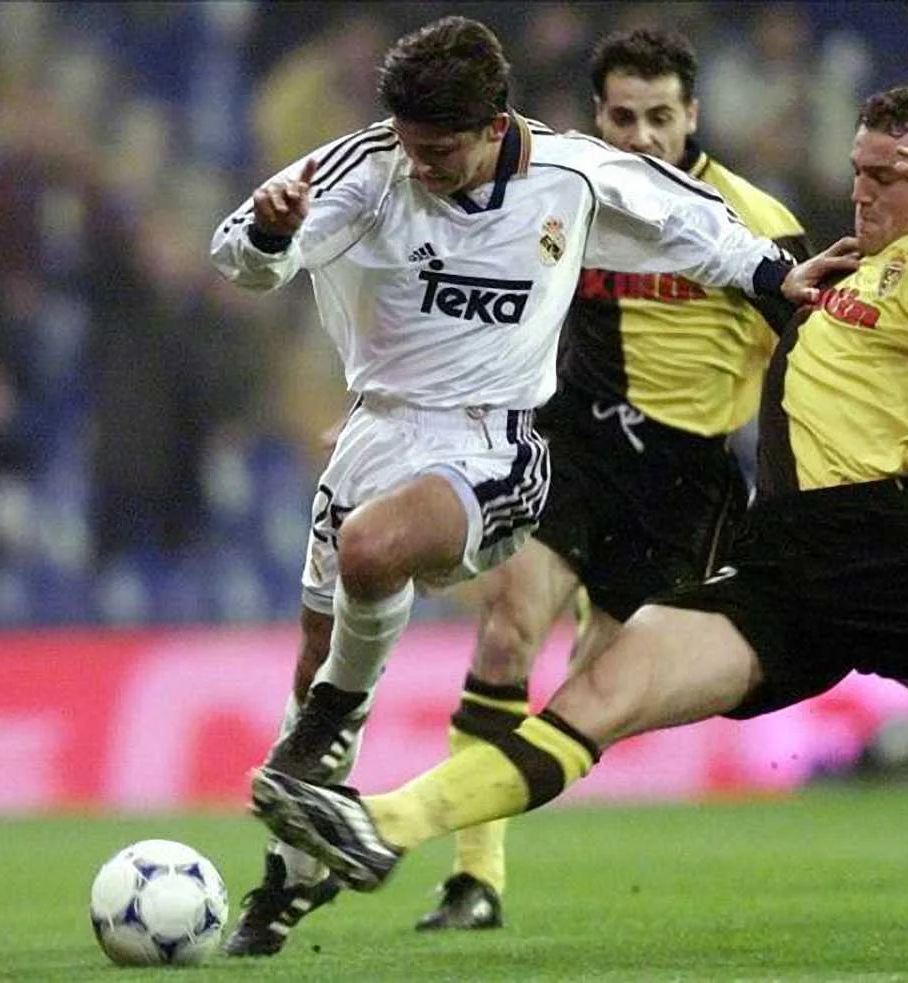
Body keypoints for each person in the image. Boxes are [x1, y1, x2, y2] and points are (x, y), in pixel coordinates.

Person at [244, 83, 908, 904]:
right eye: (858, 169)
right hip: (782, 562)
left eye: (885, 176)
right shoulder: (837, 269)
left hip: (893, 556)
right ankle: (381, 823)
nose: (861, 189)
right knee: (602, 689)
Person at [209, 15, 856, 957]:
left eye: (439, 150)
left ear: (492, 125)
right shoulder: (369, 166)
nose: (420, 164)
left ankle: (389, 776)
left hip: (503, 444)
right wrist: (269, 234)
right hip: (383, 430)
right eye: (409, 143)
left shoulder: (573, 173)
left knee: (383, 561)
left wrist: (779, 277)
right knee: (318, 652)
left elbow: (696, 223)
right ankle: (289, 880)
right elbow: (246, 259)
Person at [413, 27, 810, 932]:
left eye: (660, 117)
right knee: (508, 630)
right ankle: (472, 877)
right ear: (598, 116)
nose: (642, 137)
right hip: (574, 444)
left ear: (693, 115)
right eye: (623, 118)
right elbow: (481, 304)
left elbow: (808, 360)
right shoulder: (567, 193)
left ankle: (447, 813)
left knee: (592, 700)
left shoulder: (755, 223)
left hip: (682, 485)